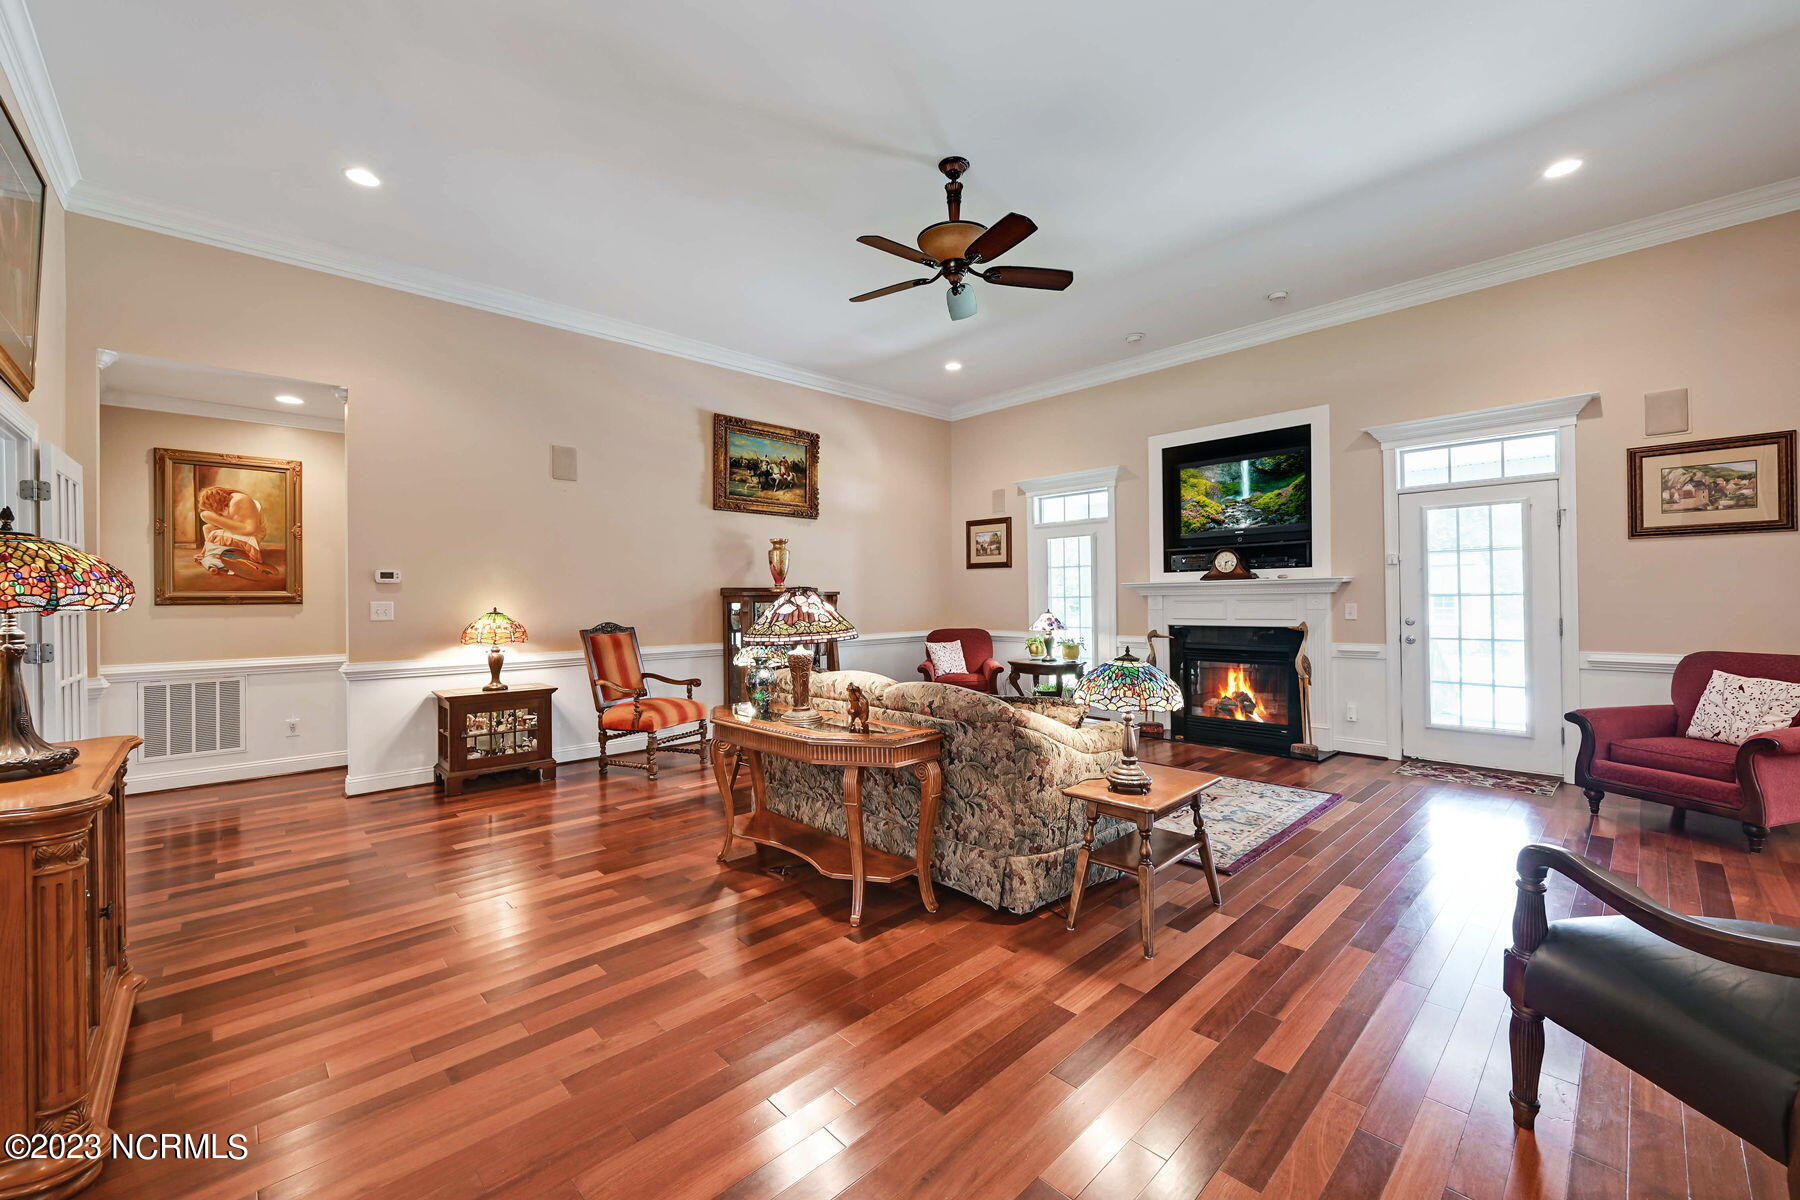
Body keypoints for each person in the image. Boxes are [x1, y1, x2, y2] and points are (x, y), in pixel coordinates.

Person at [194, 485, 271, 576]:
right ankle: (212, 556)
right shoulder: (228, 502)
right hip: (240, 530)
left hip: (252, 534)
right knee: (207, 528)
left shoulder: (237, 500)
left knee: (208, 521)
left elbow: (251, 530)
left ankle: (218, 558)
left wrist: (212, 518)